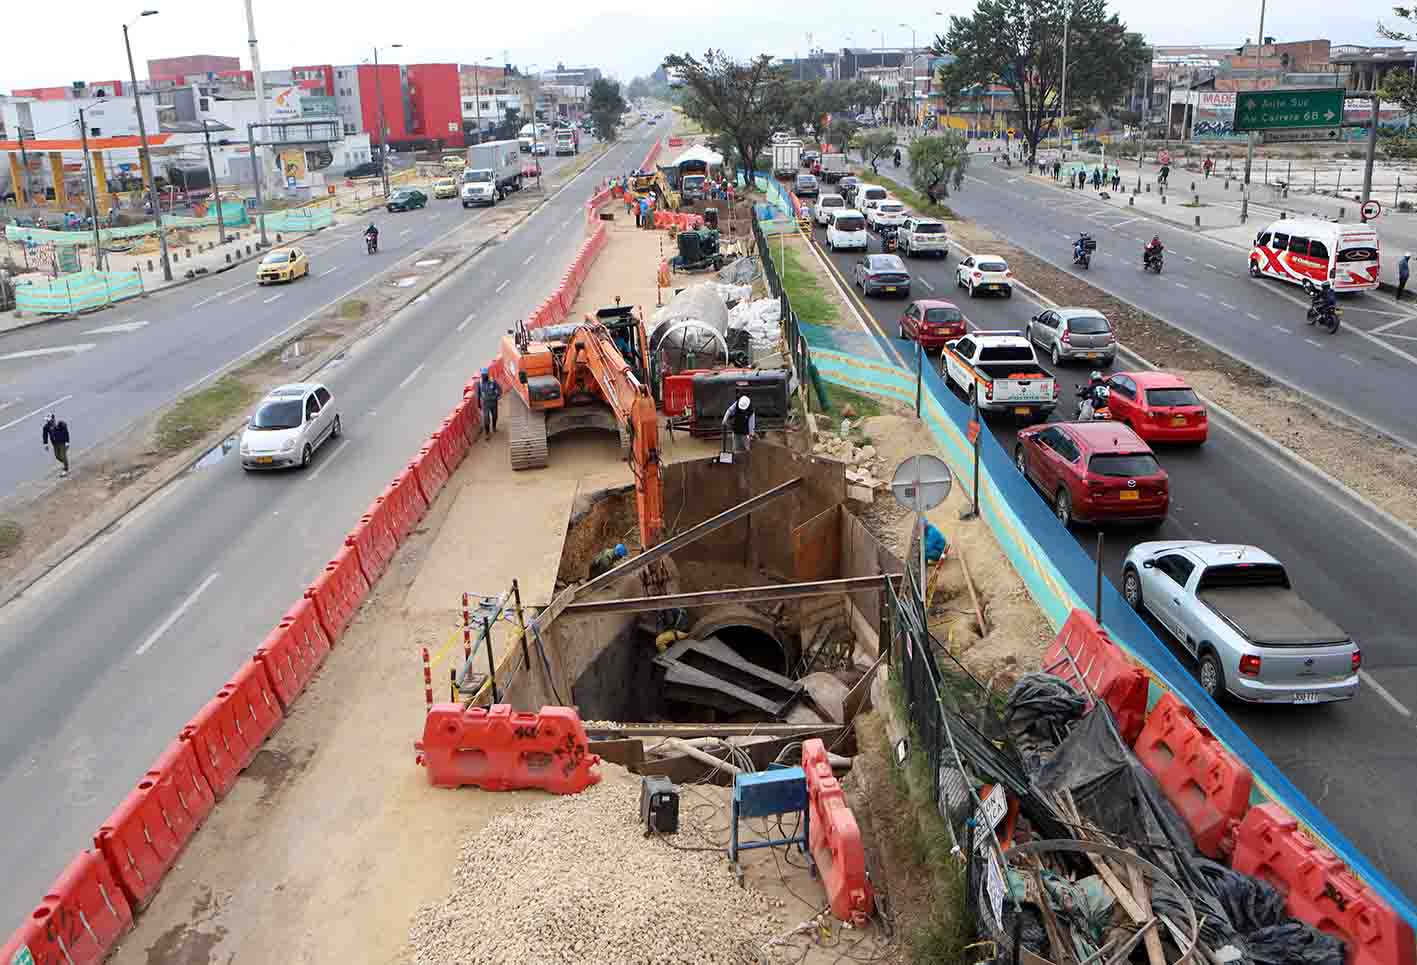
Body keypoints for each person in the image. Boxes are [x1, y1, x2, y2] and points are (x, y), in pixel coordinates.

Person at [476, 368, 502, 440]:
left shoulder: (493, 381)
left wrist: (498, 396)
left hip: (494, 403)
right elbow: (478, 395)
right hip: (485, 404)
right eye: (482, 375)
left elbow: (499, 389)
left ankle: (494, 427)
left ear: (487, 375)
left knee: (495, 416)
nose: (484, 376)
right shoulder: (479, 383)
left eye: (485, 375)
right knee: (486, 419)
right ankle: (487, 433)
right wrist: (478, 404)